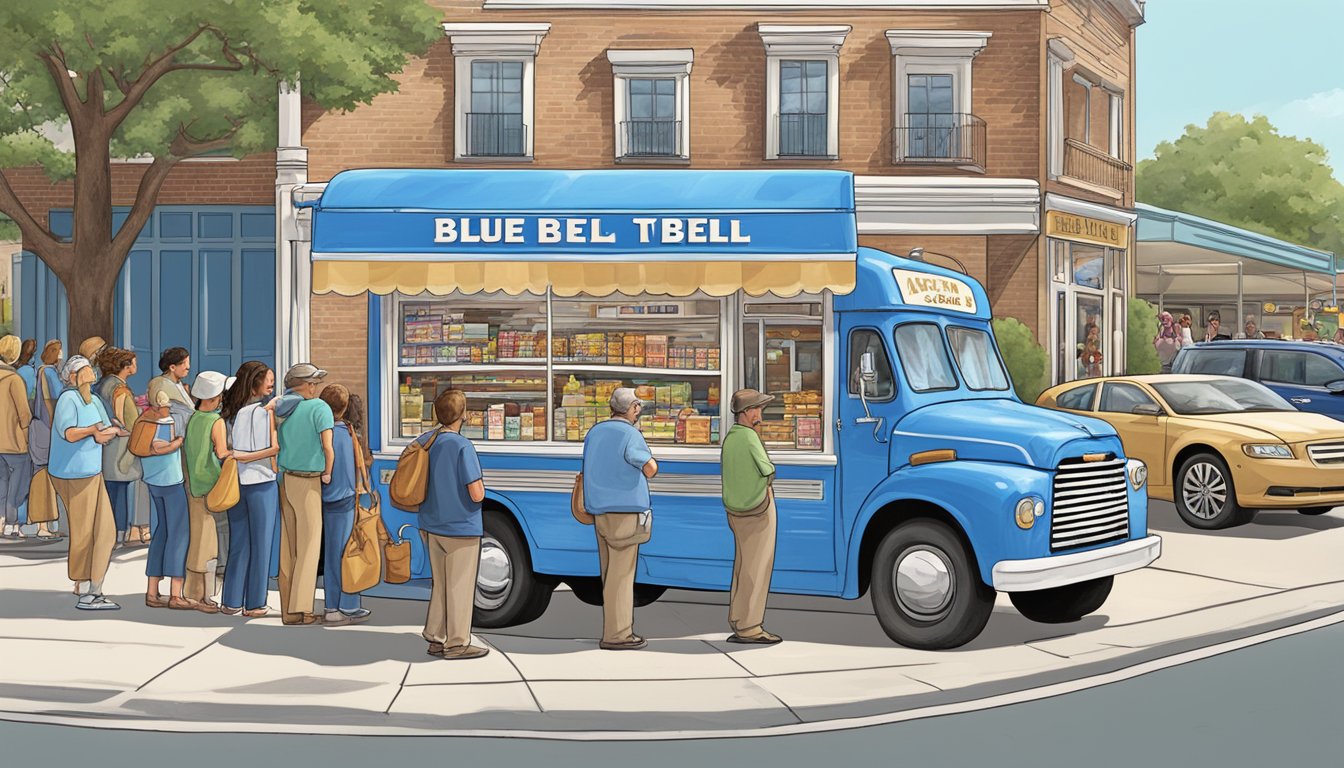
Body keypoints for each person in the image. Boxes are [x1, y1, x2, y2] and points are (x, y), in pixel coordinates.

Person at [581, 387, 658, 651]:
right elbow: (650, 468)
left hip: (599, 511)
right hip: (624, 511)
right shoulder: (630, 434)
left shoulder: (595, 432)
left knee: (608, 573)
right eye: (638, 407)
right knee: (622, 575)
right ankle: (618, 634)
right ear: (632, 408)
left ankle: (612, 629)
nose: (639, 411)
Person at [417, 389, 489, 660]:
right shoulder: (462, 446)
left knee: (441, 584)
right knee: (459, 585)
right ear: (462, 415)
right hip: (461, 526)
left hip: (431, 524)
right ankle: (457, 643)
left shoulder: (428, 440)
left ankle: (435, 637)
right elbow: (476, 493)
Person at [48, 355, 125, 610]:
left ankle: (91, 587)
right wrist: (93, 431)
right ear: (72, 376)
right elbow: (69, 433)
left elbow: (101, 431)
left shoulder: (93, 399)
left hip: (91, 471)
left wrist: (112, 431)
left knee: (104, 530)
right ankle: (87, 589)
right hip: (73, 473)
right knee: (85, 532)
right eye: (83, 370)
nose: (90, 372)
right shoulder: (68, 399)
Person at [719, 389, 783, 645]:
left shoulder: (731, 438)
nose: (760, 414)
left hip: (735, 511)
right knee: (757, 568)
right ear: (746, 413)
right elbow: (768, 470)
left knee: (742, 565)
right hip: (757, 509)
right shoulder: (749, 438)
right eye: (757, 409)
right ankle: (750, 627)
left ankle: (737, 618)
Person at [220, 362, 281, 618]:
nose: (271, 384)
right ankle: (255, 603)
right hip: (263, 483)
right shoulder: (263, 412)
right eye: (268, 380)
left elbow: (232, 449)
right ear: (255, 383)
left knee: (240, 543)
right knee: (262, 545)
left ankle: (231, 601)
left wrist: (238, 456)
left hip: (238, 484)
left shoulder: (232, 413)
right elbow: (272, 449)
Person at [276, 363, 335, 626]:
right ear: (305, 385)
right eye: (313, 383)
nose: (315, 387)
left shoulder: (281, 409)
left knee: (288, 548)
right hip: (310, 480)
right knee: (310, 547)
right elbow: (328, 447)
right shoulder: (319, 408)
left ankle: (288, 611)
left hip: (286, 479)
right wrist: (328, 473)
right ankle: (304, 610)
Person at [316, 384, 372, 626]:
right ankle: (341, 606)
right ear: (346, 407)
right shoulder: (348, 432)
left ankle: (337, 604)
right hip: (347, 499)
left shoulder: (322, 433)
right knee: (348, 553)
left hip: (326, 498)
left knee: (333, 555)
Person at [182, 371, 232, 611]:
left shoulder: (193, 420)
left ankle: (192, 591)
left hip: (193, 485)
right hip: (212, 486)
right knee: (209, 543)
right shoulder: (216, 421)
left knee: (197, 539)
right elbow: (222, 453)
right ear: (214, 397)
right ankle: (203, 597)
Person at [140, 391, 194, 610]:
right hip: (170, 480)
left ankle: (152, 591)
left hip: (152, 481)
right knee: (179, 534)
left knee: (161, 532)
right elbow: (159, 447)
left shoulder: (143, 420)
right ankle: (175, 594)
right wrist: (178, 442)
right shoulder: (165, 422)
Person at [94, 348, 142, 549]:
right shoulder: (120, 389)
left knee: (110, 492)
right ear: (125, 366)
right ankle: (119, 532)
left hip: (105, 446)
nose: (135, 366)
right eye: (133, 362)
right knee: (120, 492)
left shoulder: (101, 385)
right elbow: (130, 422)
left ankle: (108, 533)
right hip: (120, 446)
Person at [0, 335, 33, 539]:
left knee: (1, 482)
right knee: (18, 484)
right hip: (15, 442)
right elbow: (24, 414)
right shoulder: (14, 379)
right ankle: (12, 523)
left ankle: (1, 519)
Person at [149, 347, 194, 437]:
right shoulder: (161, 384)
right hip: (173, 435)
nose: (188, 367)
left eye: (188, 362)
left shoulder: (178, 383)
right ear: (172, 367)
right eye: (184, 363)